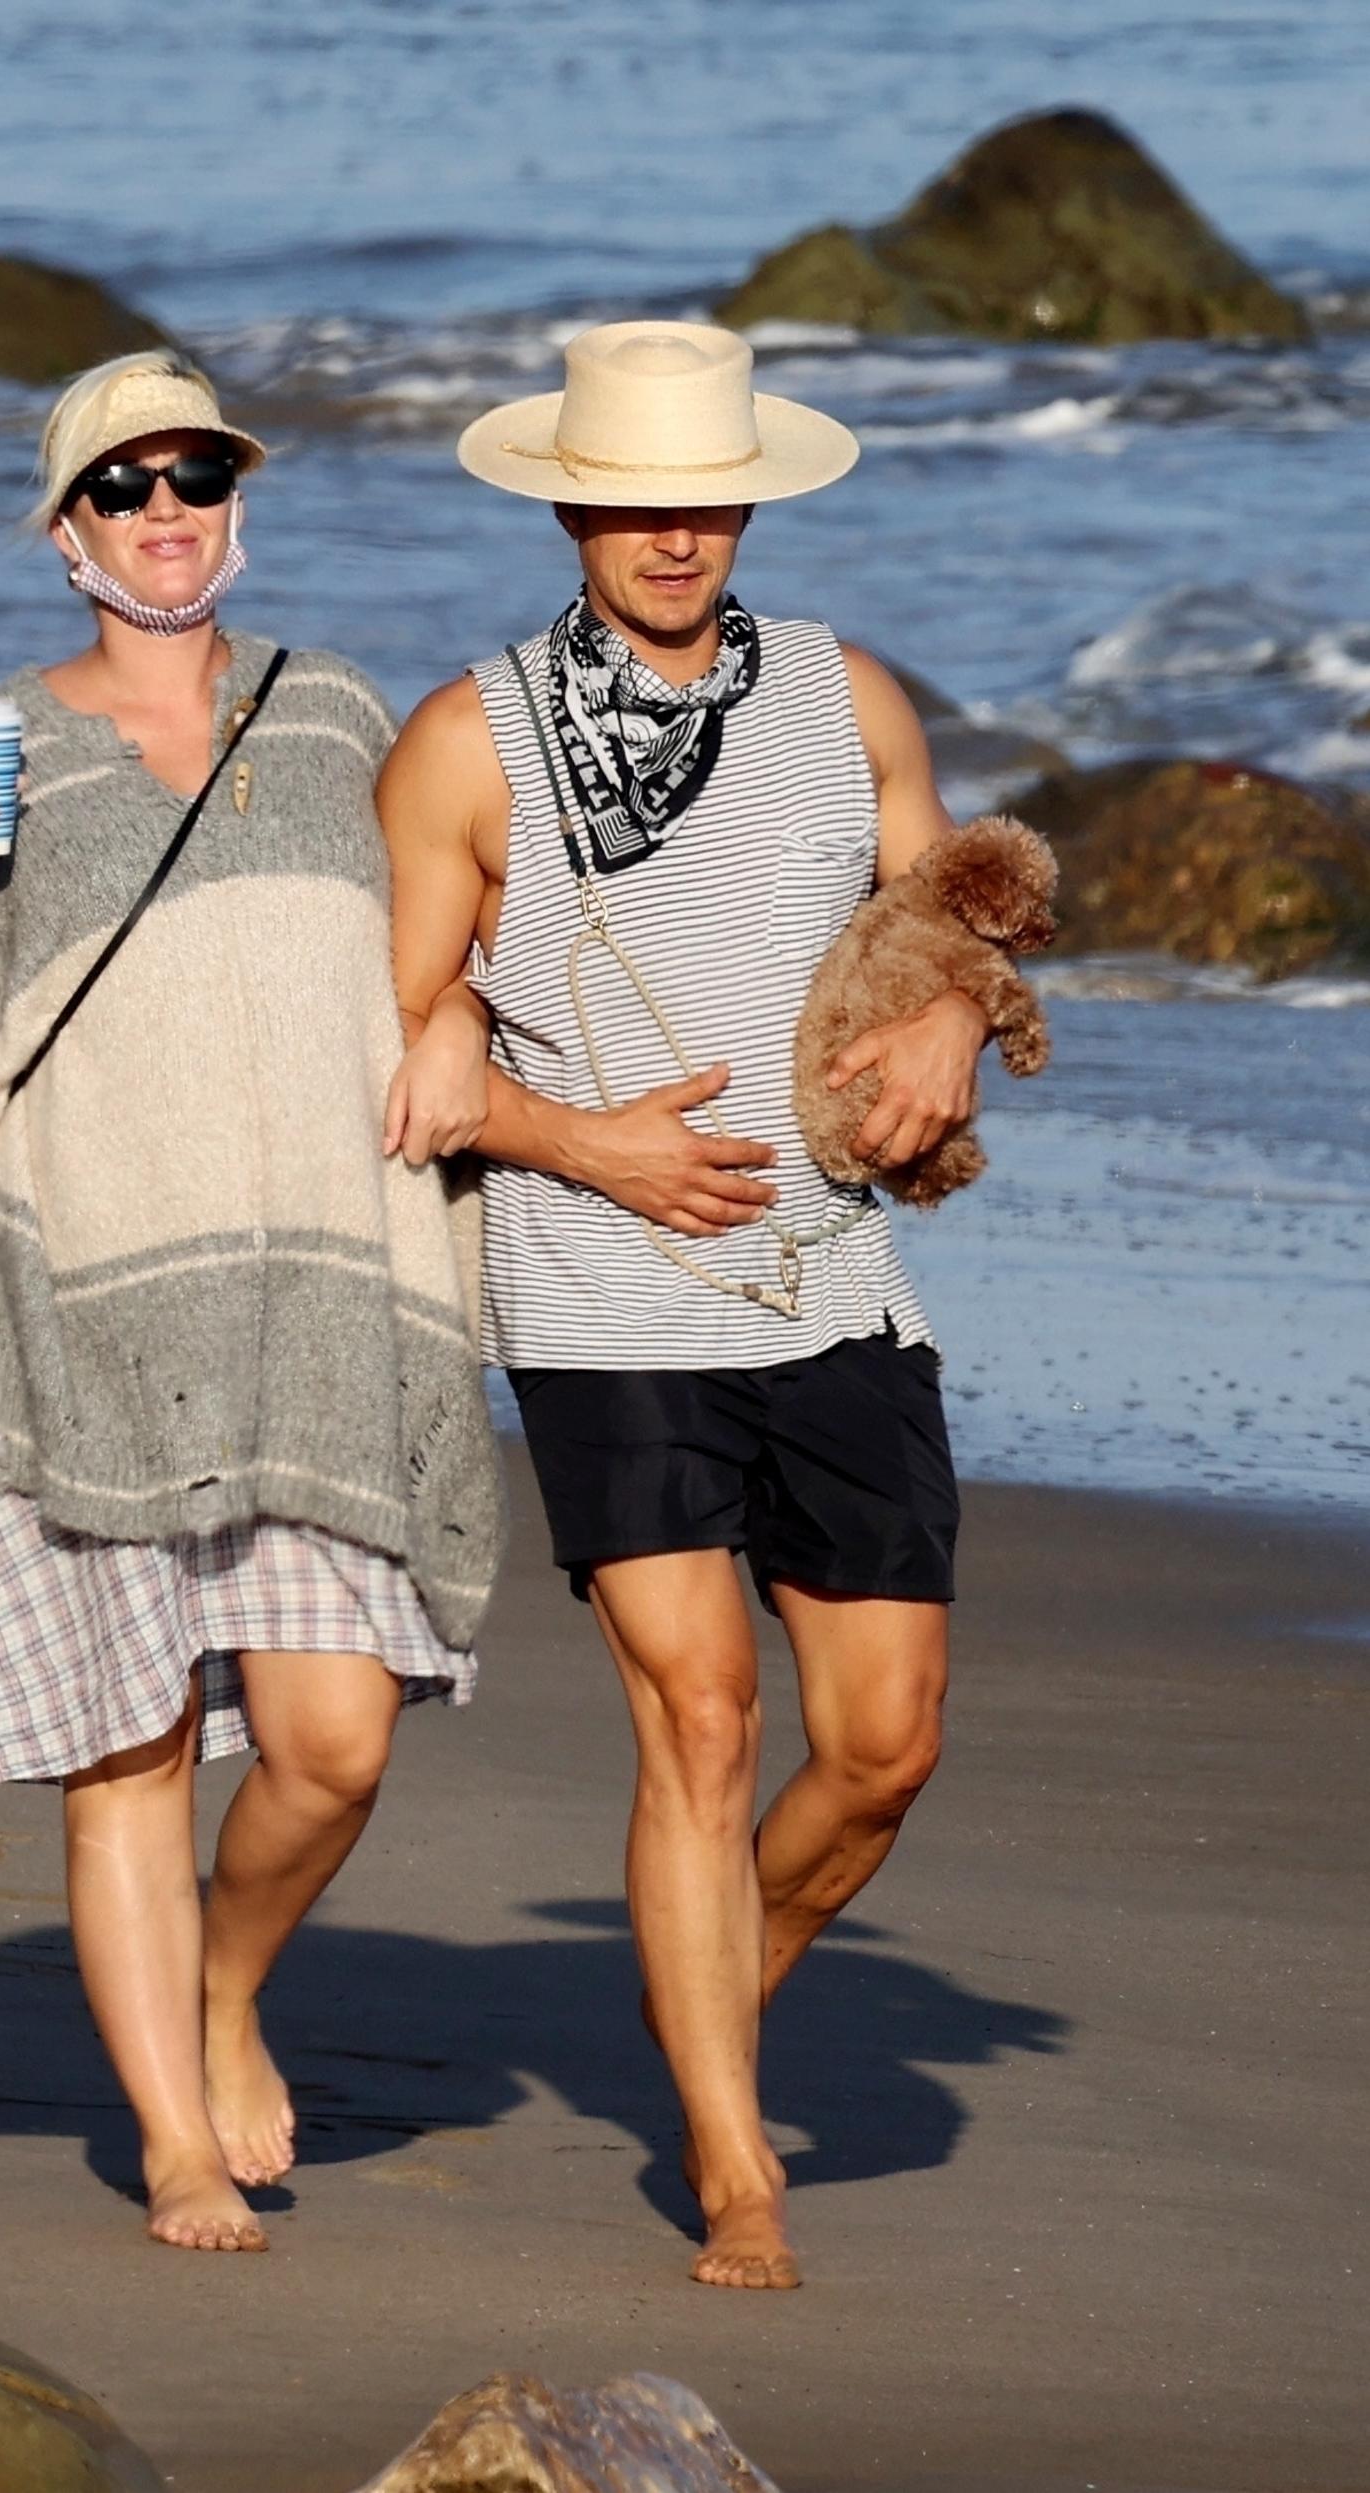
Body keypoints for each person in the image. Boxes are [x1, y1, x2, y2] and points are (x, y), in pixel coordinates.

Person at [0, 350, 501, 2256]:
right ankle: (177, 2147)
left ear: (237, 502)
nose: (164, 509)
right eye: (121, 486)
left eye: (194, 474)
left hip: (313, 1315)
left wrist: (454, 1017)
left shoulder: (337, 710)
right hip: (80, 1312)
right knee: (127, 1760)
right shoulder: (3, 753)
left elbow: (449, 930)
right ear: (67, 533)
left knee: (333, 1742)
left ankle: (223, 1982)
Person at [379, 321, 987, 2291]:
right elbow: (397, 1048)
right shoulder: (465, 741)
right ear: (570, 505)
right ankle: (734, 2167)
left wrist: (956, 1024)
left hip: (828, 1274)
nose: (671, 534)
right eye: (634, 501)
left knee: (883, 1741)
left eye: (703, 501)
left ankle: (710, 1970)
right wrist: (579, 1143)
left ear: (747, 503)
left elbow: (950, 923)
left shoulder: (846, 697)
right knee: (703, 1716)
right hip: (599, 1286)